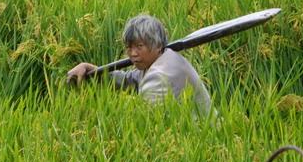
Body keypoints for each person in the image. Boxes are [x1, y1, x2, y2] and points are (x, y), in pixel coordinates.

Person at [67, 14, 212, 116]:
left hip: (201, 136)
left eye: (139, 46)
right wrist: (93, 71)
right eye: (129, 47)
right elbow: (130, 80)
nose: (133, 53)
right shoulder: (161, 58)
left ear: (157, 45)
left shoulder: (160, 75)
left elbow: (147, 121)